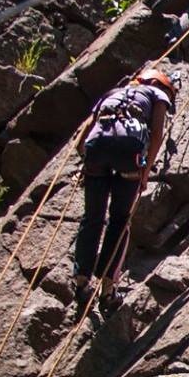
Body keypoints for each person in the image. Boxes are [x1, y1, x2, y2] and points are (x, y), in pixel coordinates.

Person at [70, 68, 175, 305]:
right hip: (129, 154)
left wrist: (86, 164)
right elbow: (157, 134)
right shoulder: (159, 96)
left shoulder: (114, 93)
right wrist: (146, 172)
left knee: (92, 217)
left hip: (96, 151)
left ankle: (81, 280)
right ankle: (108, 288)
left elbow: (83, 136)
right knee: (119, 219)